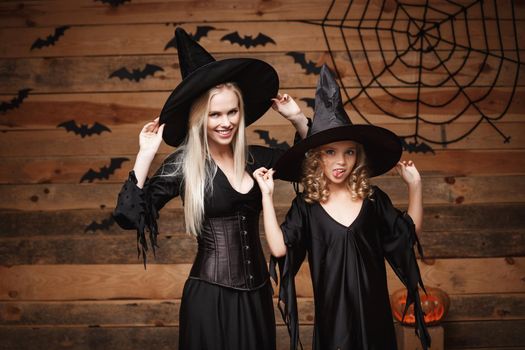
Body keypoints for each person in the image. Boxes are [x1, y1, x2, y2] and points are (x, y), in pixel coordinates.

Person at [113, 27, 308, 350]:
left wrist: (298, 119)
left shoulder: (255, 157)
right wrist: (145, 155)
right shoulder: (181, 167)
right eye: (214, 114)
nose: (225, 122)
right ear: (199, 118)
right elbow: (128, 216)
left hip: (257, 294)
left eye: (232, 111)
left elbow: (307, 167)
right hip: (210, 297)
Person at [252, 65, 431, 350]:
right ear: (316, 158)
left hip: (375, 318)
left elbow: (406, 235)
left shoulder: (372, 199)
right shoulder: (307, 206)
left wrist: (415, 187)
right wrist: (267, 197)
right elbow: (278, 248)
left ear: (357, 156)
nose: (340, 162)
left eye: (349, 152)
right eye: (331, 152)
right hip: (333, 321)